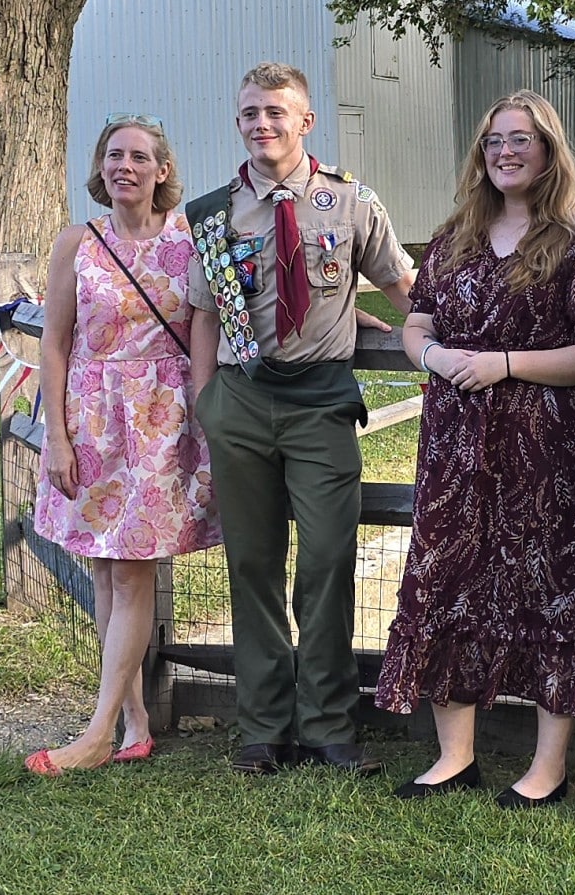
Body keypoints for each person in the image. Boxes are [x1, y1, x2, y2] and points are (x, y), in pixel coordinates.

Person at [375, 90, 575, 809]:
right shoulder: (456, 232)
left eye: (521, 140)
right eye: (494, 142)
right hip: (455, 449)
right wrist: (432, 358)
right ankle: (454, 756)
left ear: (550, 152)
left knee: (554, 589)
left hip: (550, 450)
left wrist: (506, 363)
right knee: (443, 579)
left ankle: (546, 767)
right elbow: (416, 320)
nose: (505, 153)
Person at [187, 62, 413, 777]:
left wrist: (440, 348)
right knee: (252, 563)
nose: (263, 124)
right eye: (251, 112)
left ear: (306, 121)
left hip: (320, 402)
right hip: (242, 401)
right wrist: (206, 404)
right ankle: (263, 726)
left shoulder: (349, 203)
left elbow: (402, 286)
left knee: (326, 561)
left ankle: (328, 724)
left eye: (277, 112)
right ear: (239, 122)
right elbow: (201, 315)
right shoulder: (215, 213)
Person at [26, 114, 221, 775]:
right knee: (106, 569)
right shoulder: (76, 243)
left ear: (162, 170)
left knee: (133, 570)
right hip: (90, 420)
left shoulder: (190, 241)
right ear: (100, 165)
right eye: (114, 154)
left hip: (162, 423)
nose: (125, 166)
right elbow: (53, 343)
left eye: (140, 156)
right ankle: (136, 719)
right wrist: (56, 434)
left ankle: (97, 730)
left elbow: (219, 322)